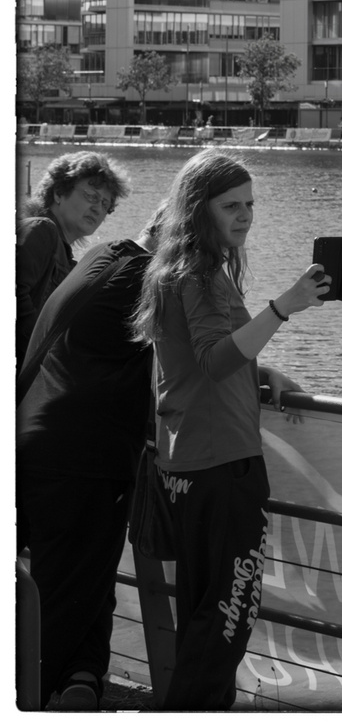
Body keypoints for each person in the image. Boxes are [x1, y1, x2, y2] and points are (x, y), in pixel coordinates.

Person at [130, 152, 328, 710]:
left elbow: (187, 363)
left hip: (186, 465)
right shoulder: (201, 273)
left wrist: (260, 372)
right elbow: (215, 361)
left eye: (250, 205)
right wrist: (283, 306)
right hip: (222, 468)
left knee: (203, 609)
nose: (244, 217)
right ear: (199, 210)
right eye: (230, 206)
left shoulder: (174, 269)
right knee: (227, 620)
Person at [17, 210, 160, 710]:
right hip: (85, 460)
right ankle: (28, 697)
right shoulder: (152, 278)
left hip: (34, 436)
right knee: (64, 595)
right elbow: (196, 362)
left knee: (83, 582)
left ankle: (82, 680)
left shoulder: (104, 256)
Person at [17, 152, 131, 362]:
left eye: (106, 205)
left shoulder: (68, 261)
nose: (98, 208)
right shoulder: (40, 230)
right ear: (59, 193)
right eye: (91, 197)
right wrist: (43, 355)